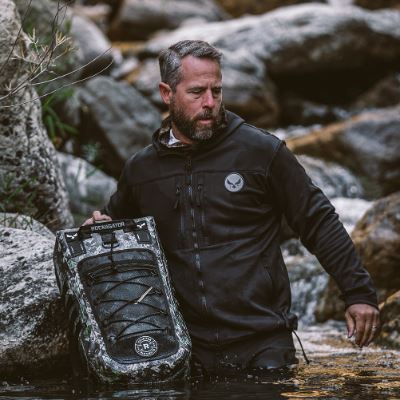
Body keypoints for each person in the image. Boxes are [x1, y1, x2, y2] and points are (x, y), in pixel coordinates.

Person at [84, 40, 380, 374]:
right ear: (167, 93)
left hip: (263, 342)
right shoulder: (142, 170)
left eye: (217, 91)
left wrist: (358, 294)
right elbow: (117, 236)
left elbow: (318, 222)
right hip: (185, 349)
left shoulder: (261, 152)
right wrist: (99, 230)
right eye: (197, 92)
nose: (210, 103)